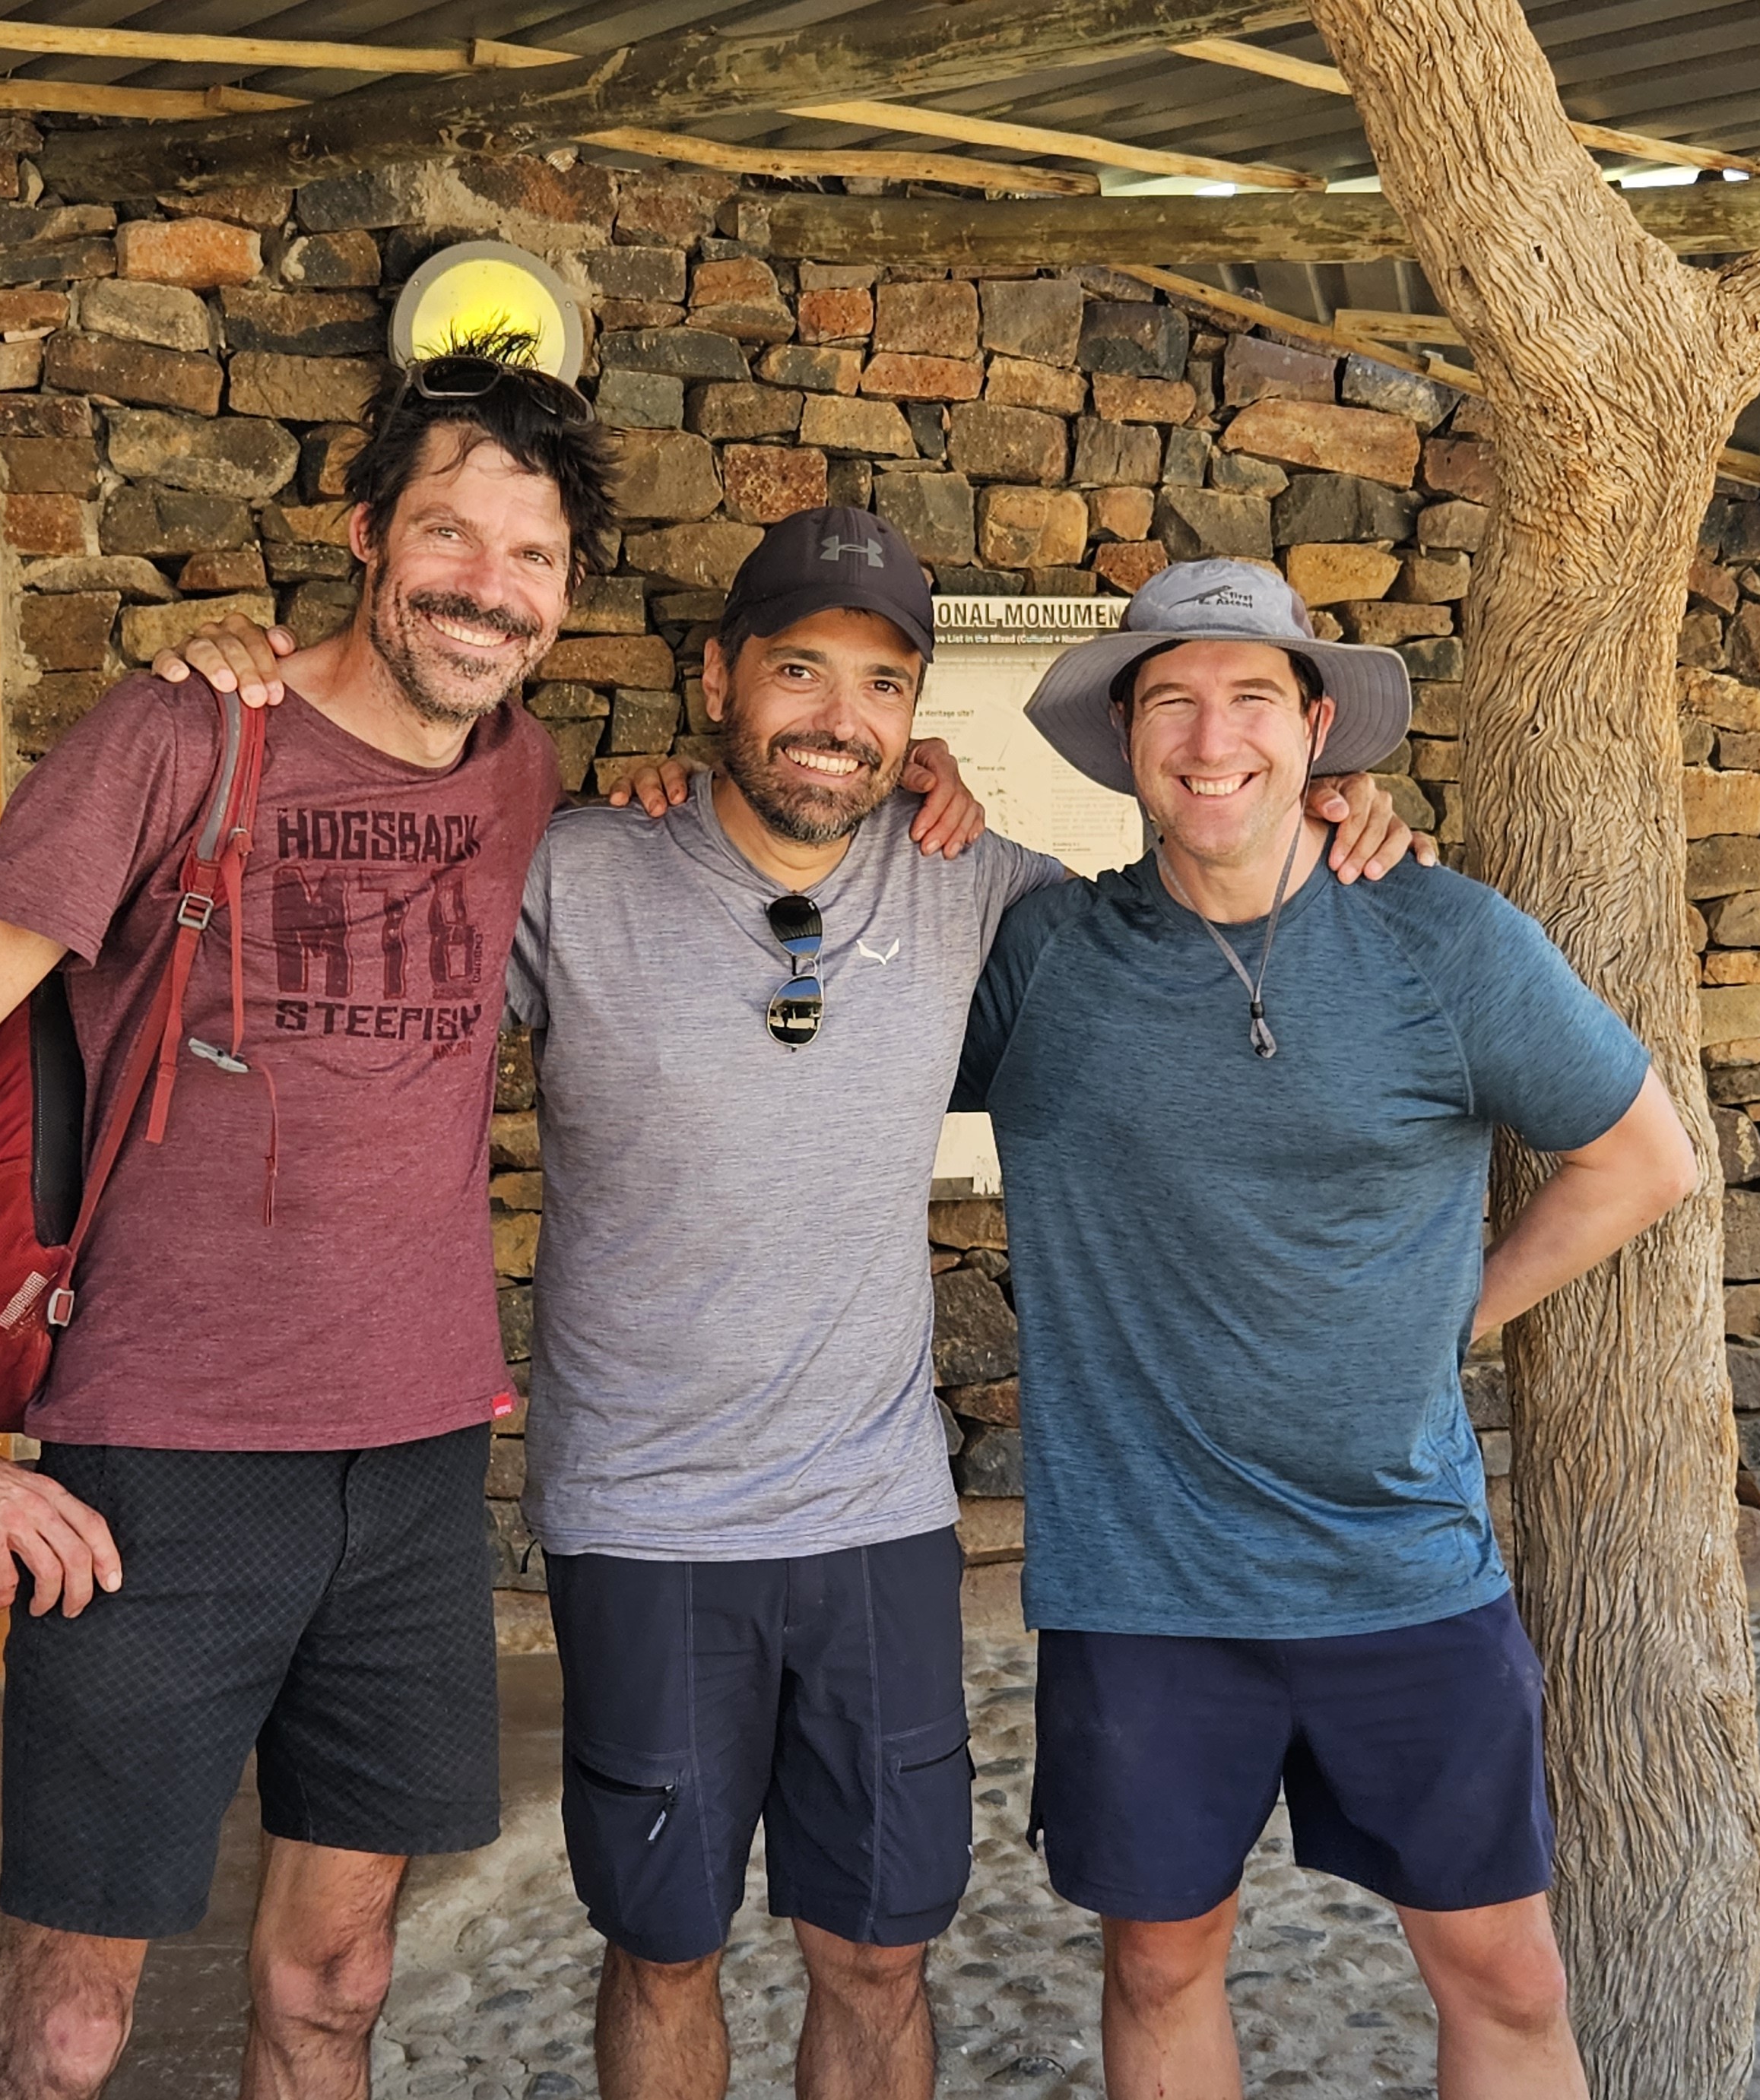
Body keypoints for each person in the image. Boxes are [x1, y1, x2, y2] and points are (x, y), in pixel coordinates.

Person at [173, 510, 1424, 2100]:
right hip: (645, 1525)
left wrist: (1338, 814)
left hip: (875, 1525)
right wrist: (245, 705)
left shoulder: (979, 887)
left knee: (877, 1951)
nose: (840, 716)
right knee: (663, 1948)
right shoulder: (576, 871)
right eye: (799, 670)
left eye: (883, 684)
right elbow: (351, 949)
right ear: (717, 679)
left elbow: (1204, 910)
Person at [0, 342, 614, 2100]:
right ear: (364, 533)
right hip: (155, 1472)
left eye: (532, 554)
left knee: (340, 1980)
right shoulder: (180, 734)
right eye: (450, 532)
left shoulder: (525, 773)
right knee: (70, 2024)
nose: (487, 584)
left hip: (413, 1466)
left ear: (565, 594)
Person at [953, 559, 1700, 2100]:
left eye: (1249, 696)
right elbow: (822, 970)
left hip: (1401, 1565)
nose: (1208, 737)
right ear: (1124, 735)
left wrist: (1451, 1318)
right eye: (1170, 700)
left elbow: (1641, 1160)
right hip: (1144, 1583)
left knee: (1505, 1974)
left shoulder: (1443, 939)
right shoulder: (1044, 957)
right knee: (1158, 1963)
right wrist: (815, 799)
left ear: (1313, 729)